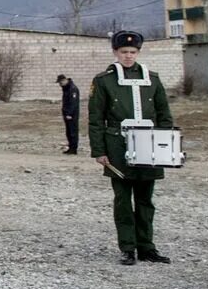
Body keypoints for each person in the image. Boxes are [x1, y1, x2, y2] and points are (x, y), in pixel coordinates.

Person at [87, 31, 173, 265]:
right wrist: (99, 151)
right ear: (116, 52)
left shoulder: (153, 79)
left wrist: (166, 145)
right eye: (124, 52)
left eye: (133, 52)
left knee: (146, 200)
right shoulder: (103, 80)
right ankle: (128, 247)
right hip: (118, 147)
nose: (128, 56)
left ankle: (147, 247)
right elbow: (96, 119)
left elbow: (164, 114)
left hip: (149, 146)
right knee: (123, 200)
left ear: (138, 53)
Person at [57, 73, 80, 155]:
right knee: (69, 132)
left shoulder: (72, 89)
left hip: (72, 115)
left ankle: (74, 149)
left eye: (60, 83)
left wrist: (69, 113)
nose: (60, 85)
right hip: (67, 114)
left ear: (64, 80)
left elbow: (73, 103)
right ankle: (71, 148)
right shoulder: (66, 88)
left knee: (73, 132)